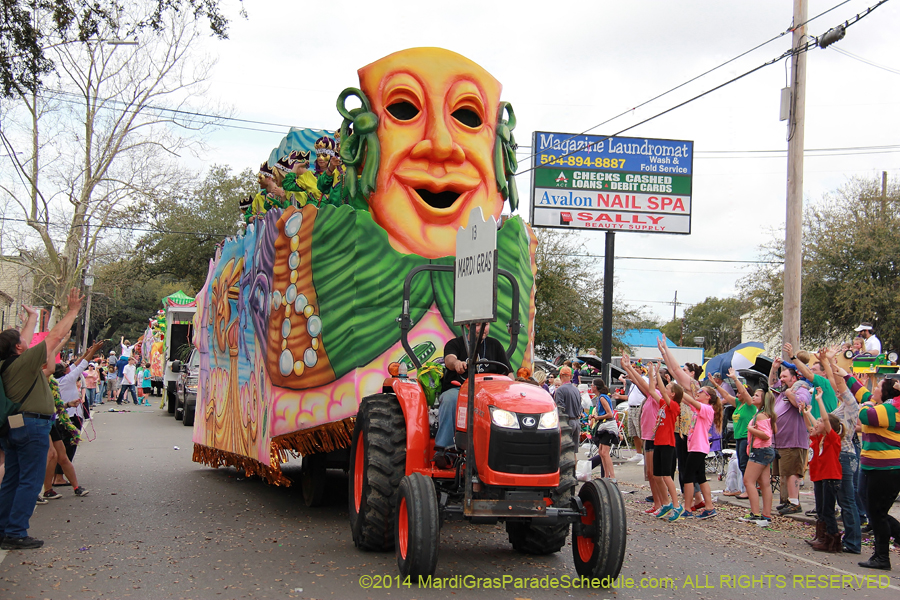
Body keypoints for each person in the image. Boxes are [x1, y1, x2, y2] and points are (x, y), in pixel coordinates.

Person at [0, 289, 83, 550]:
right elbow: (54, 336)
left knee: (13, 478)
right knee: (30, 480)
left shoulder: (7, 363)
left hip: (13, 425)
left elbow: (21, 340)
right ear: (19, 349)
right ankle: (16, 531)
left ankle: (4, 528)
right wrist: (72, 311)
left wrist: (32, 318)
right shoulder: (22, 363)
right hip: (32, 426)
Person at [432, 323, 511, 469]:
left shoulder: (495, 345)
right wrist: (456, 363)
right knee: (450, 399)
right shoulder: (455, 343)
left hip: (488, 394)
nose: (483, 329)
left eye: (486, 325)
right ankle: (445, 449)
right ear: (468, 326)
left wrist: (514, 384)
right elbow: (449, 359)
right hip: (460, 390)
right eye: (479, 325)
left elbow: (508, 372)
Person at [857, 378, 900, 570]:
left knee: (878, 514)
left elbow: (866, 417)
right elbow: (861, 393)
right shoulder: (883, 406)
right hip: (877, 468)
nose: (873, 389)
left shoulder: (889, 409)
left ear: (887, 393)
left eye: (878, 386)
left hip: (886, 468)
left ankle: (882, 557)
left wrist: (865, 406)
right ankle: (881, 555)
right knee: (877, 513)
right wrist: (844, 375)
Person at [802, 388, 844, 553]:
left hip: (830, 477)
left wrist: (819, 400)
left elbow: (825, 420)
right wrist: (807, 413)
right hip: (821, 477)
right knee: (821, 508)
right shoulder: (819, 438)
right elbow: (812, 425)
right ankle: (822, 537)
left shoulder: (833, 439)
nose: (817, 424)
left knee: (828, 509)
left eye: (820, 422)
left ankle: (832, 539)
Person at [769, 358, 811, 515]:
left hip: (794, 441)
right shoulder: (781, 392)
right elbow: (772, 385)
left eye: (784, 376)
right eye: (781, 377)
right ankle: (788, 501)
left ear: (794, 378)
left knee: (793, 471)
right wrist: (774, 368)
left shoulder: (802, 390)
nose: (781, 379)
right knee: (785, 472)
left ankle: (795, 503)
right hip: (781, 441)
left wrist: (789, 392)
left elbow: (802, 404)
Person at [646, 362, 683, 522]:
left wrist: (656, 374)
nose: (665, 391)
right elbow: (651, 390)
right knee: (657, 475)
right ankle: (666, 503)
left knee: (667, 476)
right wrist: (651, 374)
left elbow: (660, 390)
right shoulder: (663, 404)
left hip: (668, 444)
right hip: (659, 442)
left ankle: (676, 505)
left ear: (673, 394)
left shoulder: (673, 406)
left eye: (668, 390)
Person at [713, 368, 758, 499]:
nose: (738, 394)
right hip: (738, 438)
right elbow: (726, 396)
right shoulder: (739, 404)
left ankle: (747, 490)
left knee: (744, 464)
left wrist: (735, 379)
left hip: (746, 437)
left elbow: (743, 391)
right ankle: (743, 488)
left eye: (739, 393)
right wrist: (716, 385)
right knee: (740, 463)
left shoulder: (750, 405)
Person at [680, 385, 721, 519]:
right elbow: (687, 400)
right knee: (700, 477)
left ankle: (688, 508)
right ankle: (709, 507)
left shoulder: (707, 408)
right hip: (695, 446)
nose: (697, 393)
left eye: (700, 392)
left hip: (698, 447)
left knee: (688, 477)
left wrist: (678, 388)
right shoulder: (700, 409)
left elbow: (691, 400)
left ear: (708, 397)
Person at [739, 389, 777, 525]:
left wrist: (751, 429)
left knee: (748, 481)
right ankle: (766, 514)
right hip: (766, 450)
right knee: (764, 483)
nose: (753, 397)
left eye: (756, 395)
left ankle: (755, 513)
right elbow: (774, 430)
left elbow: (766, 434)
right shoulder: (766, 415)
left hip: (760, 450)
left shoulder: (760, 416)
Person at [587, 379, 617, 481]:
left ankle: (612, 476)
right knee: (601, 451)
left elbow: (610, 414)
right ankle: (605, 476)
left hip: (608, 426)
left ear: (595, 387)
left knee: (605, 452)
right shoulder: (600, 397)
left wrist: (597, 418)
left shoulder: (602, 398)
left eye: (591, 385)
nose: (590, 387)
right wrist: (595, 416)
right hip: (604, 425)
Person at [554, 367, 582, 448]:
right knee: (573, 452)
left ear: (560, 376)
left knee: (563, 451)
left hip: (567, 423)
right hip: (577, 422)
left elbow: (559, 409)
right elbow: (580, 407)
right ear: (571, 376)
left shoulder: (560, 390)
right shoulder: (576, 389)